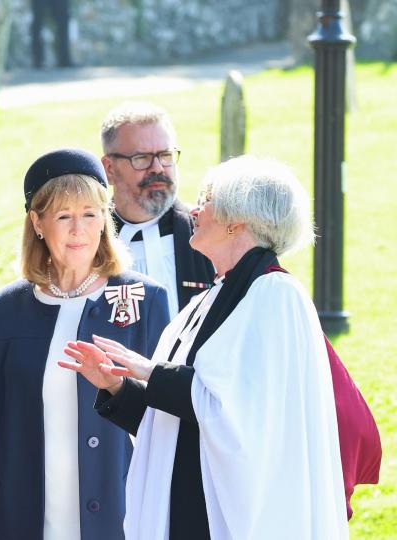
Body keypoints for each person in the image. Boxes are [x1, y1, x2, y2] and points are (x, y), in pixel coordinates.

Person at [60, 155, 348, 539]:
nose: (194, 209)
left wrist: (151, 372)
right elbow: (172, 423)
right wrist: (116, 386)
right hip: (187, 509)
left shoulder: (277, 296)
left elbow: (245, 419)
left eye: (207, 199)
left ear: (237, 219)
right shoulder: (208, 299)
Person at [0, 149, 171, 539]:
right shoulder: (5, 311)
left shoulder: (145, 301)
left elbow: (168, 420)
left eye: (90, 213)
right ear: (37, 222)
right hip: (26, 524)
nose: (79, 229)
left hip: (123, 521)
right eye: (64, 216)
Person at [100, 101, 215, 315]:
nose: (158, 168)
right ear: (109, 169)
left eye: (166, 155)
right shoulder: (89, 241)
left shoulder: (212, 235)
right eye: (141, 158)